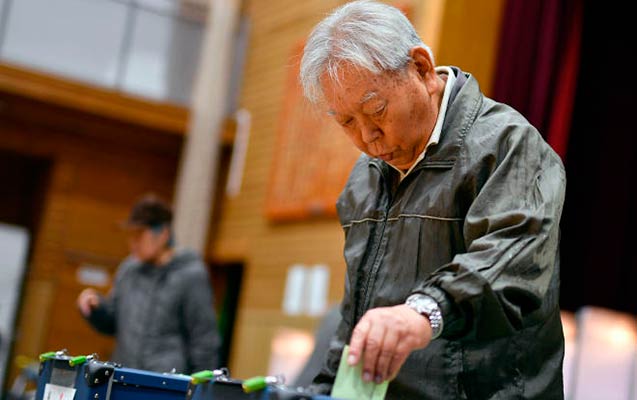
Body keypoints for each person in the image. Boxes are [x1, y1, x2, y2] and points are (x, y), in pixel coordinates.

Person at [300, 1, 566, 399]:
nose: (367, 138)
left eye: (376, 111)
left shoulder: (508, 145)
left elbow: (509, 263)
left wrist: (424, 311)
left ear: (421, 68)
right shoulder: (365, 177)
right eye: (347, 122)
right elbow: (356, 318)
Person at [77, 194, 220, 374]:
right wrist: (96, 308)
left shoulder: (190, 276)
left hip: (165, 384)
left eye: (139, 235)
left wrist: (201, 389)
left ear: (163, 234)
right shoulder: (128, 270)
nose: (133, 243)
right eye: (131, 235)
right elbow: (112, 323)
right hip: (123, 377)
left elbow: (204, 340)